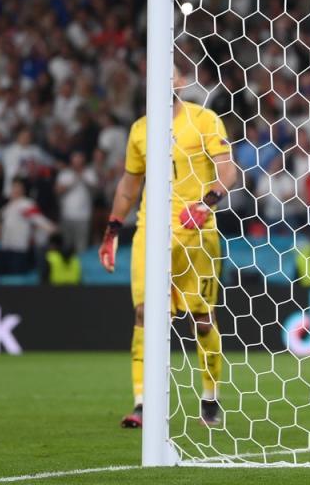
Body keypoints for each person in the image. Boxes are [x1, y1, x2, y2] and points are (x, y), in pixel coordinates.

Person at [98, 71, 237, 429]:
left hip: (197, 232)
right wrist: (112, 228)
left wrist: (207, 203)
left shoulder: (204, 119)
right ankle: (143, 403)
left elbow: (227, 171)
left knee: (203, 320)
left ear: (179, 83)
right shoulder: (140, 130)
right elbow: (129, 185)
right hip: (151, 233)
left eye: (169, 74)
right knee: (144, 314)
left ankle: (209, 397)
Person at [0, 178, 56, 276]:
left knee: (17, 280)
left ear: (23, 190)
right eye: (14, 187)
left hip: (19, 249)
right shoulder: (8, 206)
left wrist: (51, 228)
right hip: (6, 247)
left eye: (18, 187)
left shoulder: (26, 203)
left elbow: (38, 218)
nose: (15, 190)